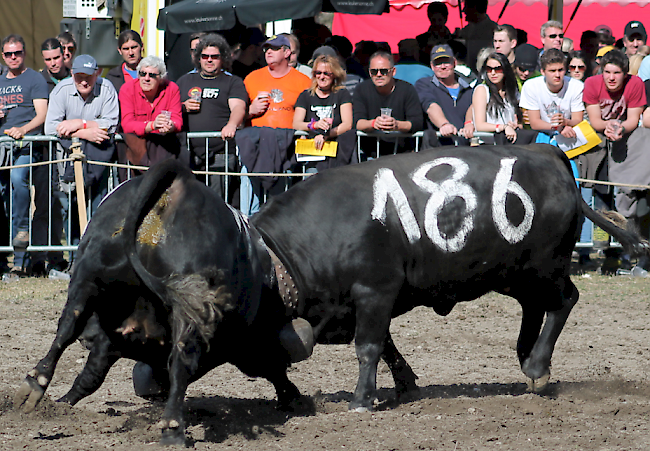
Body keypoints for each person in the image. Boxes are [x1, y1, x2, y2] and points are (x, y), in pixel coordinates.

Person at [44, 54, 119, 250]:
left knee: (99, 206)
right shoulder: (61, 90)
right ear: (72, 74)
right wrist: (85, 133)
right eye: (79, 76)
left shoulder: (107, 88)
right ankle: (74, 257)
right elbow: (50, 127)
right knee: (71, 207)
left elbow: (111, 124)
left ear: (97, 73)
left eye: (89, 76)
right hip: (68, 159)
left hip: (99, 158)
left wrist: (78, 123)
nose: (84, 81)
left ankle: (95, 254)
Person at [582, 49, 647, 273]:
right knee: (601, 197)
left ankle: (628, 252)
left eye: (616, 72)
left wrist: (619, 127)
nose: (611, 77)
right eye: (607, 72)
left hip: (628, 143)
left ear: (625, 73)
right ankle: (603, 254)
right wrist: (608, 127)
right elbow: (595, 120)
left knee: (627, 199)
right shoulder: (591, 84)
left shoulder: (636, 84)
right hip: (598, 144)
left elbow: (633, 119)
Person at [177, 33, 247, 203]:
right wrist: (183, 107)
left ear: (222, 58)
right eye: (205, 56)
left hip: (220, 152)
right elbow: (170, 109)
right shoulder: (185, 80)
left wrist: (232, 124)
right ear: (198, 58)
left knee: (216, 203)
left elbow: (238, 107)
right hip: (189, 154)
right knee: (190, 202)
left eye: (214, 57)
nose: (209, 60)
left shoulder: (232, 82)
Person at [0, 34, 49, 275]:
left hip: (25, 145)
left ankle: (21, 236)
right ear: (3, 55)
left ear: (24, 53)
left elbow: (41, 115)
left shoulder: (35, 79)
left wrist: (23, 130)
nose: (12, 57)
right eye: (8, 54)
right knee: (3, 196)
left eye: (16, 53)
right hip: (1, 147)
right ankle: (7, 255)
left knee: (19, 182)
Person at [119, 55, 185, 173]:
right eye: (142, 74)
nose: (146, 78)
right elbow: (127, 124)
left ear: (161, 78)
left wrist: (170, 125)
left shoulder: (172, 88)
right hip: (136, 147)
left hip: (164, 145)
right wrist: (152, 125)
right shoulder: (127, 89)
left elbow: (178, 120)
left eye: (152, 75)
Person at [353, 50, 423, 157]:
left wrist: (397, 125)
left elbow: (417, 122)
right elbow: (357, 122)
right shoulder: (361, 89)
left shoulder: (407, 89)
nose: (379, 75)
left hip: (403, 154)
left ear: (393, 71)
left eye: (384, 71)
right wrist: (373, 123)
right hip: (370, 155)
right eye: (374, 71)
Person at [293, 54, 354, 171]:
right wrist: (313, 125)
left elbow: (347, 124)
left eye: (326, 73)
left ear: (334, 75)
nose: (322, 77)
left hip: (337, 151)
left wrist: (326, 135)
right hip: (312, 153)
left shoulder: (342, 93)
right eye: (318, 73)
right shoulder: (305, 95)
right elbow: (296, 123)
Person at [244, 34, 311, 129]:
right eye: (266, 49)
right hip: (256, 139)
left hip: (290, 140)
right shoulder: (251, 78)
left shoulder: (304, 81)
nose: (269, 52)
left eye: (274, 48)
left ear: (287, 52)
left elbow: (311, 115)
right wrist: (250, 111)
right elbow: (234, 114)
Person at [414, 44, 474, 146]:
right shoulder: (424, 84)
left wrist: (470, 124)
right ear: (432, 66)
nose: (442, 67)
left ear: (454, 63)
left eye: (446, 62)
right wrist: (444, 124)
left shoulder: (469, 88)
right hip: (436, 150)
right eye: (438, 63)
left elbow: (476, 108)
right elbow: (430, 106)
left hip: (465, 152)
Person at [472, 52, 537, 145]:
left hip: (509, 143)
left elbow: (519, 120)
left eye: (497, 69)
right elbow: (480, 125)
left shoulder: (512, 91)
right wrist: (503, 127)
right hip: (488, 145)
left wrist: (516, 125)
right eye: (489, 69)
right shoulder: (482, 90)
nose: (493, 73)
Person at [519, 49, 584, 140]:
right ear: (542, 72)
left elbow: (578, 120)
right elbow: (534, 123)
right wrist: (558, 127)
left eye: (560, 70)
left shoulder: (576, 86)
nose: (557, 75)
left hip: (569, 134)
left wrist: (565, 122)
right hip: (542, 134)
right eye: (552, 71)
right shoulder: (531, 86)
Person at [455, 0, 498, 72]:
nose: (463, 11)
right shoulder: (466, 30)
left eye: (466, 7)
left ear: (475, 8)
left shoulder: (493, 30)